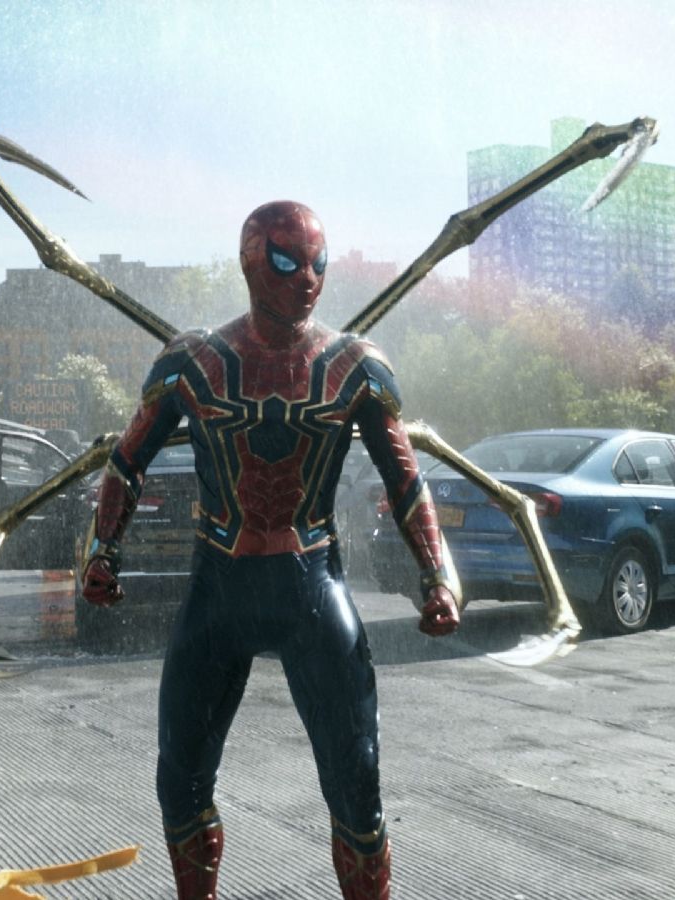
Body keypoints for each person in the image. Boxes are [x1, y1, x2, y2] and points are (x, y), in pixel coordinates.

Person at [81, 201, 461, 900]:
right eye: (287, 263)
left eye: (319, 263)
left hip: (309, 584)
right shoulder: (194, 362)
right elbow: (126, 460)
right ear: (252, 263)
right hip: (219, 589)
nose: (307, 279)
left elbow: (406, 479)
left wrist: (439, 575)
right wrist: (102, 549)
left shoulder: (355, 366)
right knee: (180, 780)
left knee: (357, 784)